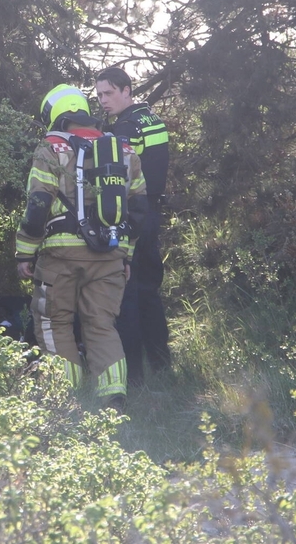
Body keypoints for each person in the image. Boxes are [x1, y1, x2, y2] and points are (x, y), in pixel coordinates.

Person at [16, 84, 149, 410]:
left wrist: (25, 251)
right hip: (110, 256)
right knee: (101, 325)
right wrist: (126, 255)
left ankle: (65, 403)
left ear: (53, 115)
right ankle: (113, 400)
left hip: (60, 256)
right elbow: (139, 210)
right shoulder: (124, 150)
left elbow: (38, 204)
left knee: (54, 323)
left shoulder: (51, 148)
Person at [95, 67, 171, 387]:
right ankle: (162, 365)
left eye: (108, 93)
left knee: (128, 293)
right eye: (99, 94)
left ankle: (134, 375)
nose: (103, 100)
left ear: (127, 90)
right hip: (153, 212)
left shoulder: (125, 127)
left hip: (134, 215)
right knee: (150, 291)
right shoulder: (152, 119)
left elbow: (119, 180)